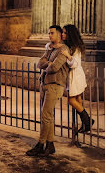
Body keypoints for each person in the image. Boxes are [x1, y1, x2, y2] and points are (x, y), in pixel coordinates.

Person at [26, 25, 70, 157]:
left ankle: (41, 144)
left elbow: (55, 67)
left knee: (45, 115)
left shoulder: (63, 49)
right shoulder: (50, 49)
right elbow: (40, 63)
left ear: (58, 35)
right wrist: (48, 63)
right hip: (45, 84)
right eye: (49, 33)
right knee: (48, 117)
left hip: (55, 85)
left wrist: (49, 64)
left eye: (52, 33)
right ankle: (50, 145)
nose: (49, 36)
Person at [61, 24, 94, 133]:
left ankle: (88, 120)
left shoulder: (75, 48)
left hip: (76, 75)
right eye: (62, 32)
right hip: (74, 75)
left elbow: (74, 64)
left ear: (70, 34)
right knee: (78, 99)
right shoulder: (70, 46)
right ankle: (85, 124)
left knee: (71, 100)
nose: (62, 34)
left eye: (65, 32)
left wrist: (67, 55)